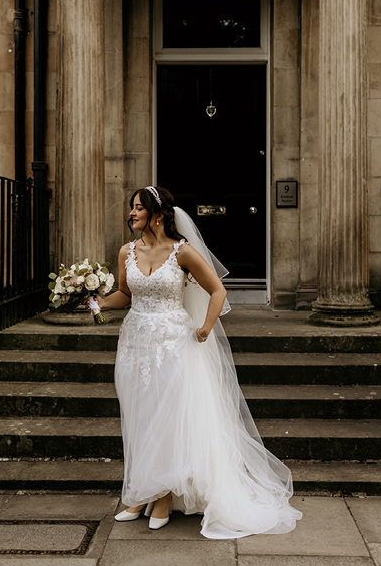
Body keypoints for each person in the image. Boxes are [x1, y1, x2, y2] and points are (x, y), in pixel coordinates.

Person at [88, 185, 301, 539]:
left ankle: (164, 497)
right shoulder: (127, 251)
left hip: (175, 344)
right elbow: (125, 294)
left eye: (137, 207)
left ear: (157, 214)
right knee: (141, 415)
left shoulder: (182, 252)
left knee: (168, 418)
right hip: (135, 343)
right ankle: (142, 492)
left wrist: (205, 327)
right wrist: (94, 302)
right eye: (131, 208)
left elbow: (218, 289)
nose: (131, 213)